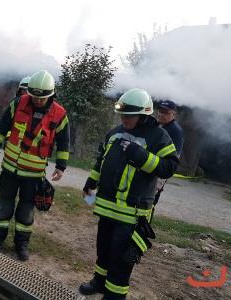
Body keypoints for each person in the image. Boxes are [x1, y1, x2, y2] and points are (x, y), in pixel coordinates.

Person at [79, 88, 179, 299]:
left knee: (121, 260)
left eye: (129, 114)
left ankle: (114, 295)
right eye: (122, 114)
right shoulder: (115, 132)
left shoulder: (159, 137)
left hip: (131, 214)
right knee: (103, 250)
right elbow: (102, 159)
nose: (124, 118)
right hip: (107, 208)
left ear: (143, 114)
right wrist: (91, 180)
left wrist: (141, 156)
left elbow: (169, 167)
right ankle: (99, 281)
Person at [0, 70, 70, 261]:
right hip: (10, 168)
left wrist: (61, 166)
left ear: (51, 95)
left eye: (42, 98)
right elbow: (2, 126)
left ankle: (21, 244)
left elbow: (64, 142)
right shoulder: (17, 103)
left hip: (33, 174)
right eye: (34, 97)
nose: (37, 101)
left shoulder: (59, 114)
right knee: (3, 205)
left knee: (26, 210)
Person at [150, 100, 184, 222]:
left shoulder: (175, 130)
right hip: (150, 168)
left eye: (165, 112)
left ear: (174, 114)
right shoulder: (157, 125)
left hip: (159, 173)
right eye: (160, 111)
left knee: (149, 204)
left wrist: (161, 181)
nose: (161, 114)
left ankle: (142, 231)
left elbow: (175, 157)